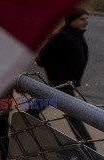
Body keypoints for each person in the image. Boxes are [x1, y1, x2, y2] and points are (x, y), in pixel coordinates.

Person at [33, 8, 95, 149]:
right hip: (62, 82)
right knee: (73, 112)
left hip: (66, 81)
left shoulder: (76, 34)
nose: (86, 21)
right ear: (71, 21)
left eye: (86, 18)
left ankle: (30, 114)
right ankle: (90, 147)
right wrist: (55, 71)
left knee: (47, 99)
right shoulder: (61, 36)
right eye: (82, 18)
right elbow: (42, 56)